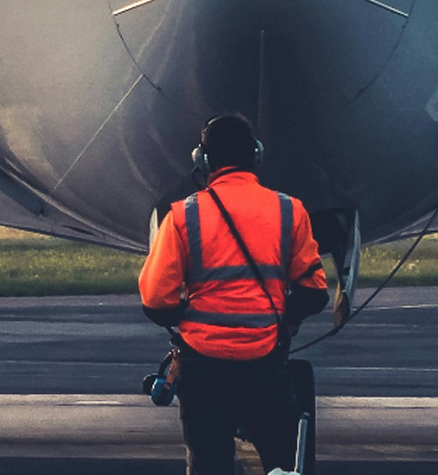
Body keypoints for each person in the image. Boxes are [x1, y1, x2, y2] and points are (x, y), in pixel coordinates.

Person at [139, 114, 329, 475]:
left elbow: (155, 300)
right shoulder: (290, 211)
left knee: (209, 461)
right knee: (284, 461)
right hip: (264, 364)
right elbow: (314, 293)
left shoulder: (182, 216)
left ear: (202, 161)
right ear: (256, 156)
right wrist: (282, 322)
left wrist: (188, 320)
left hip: (204, 367)